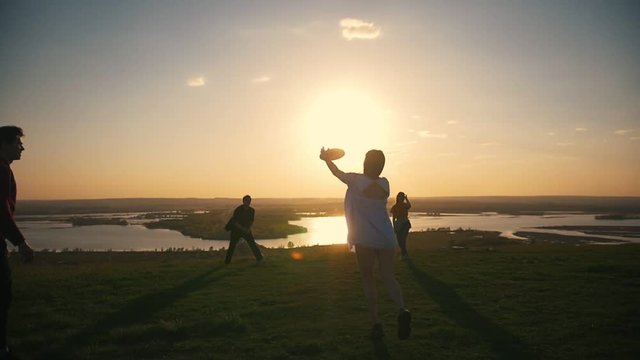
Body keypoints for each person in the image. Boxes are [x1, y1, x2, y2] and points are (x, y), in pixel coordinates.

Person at [320, 148, 411, 340]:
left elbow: (336, 172)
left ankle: (376, 323)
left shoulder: (355, 180)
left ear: (365, 162)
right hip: (386, 237)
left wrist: (327, 158)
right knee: (388, 276)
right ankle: (402, 310)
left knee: (368, 280)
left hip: (364, 238)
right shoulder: (385, 183)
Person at [0, 126, 34, 359]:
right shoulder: (1, 170)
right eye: (17, 142)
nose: (22, 147)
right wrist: (20, 243)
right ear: (3, 144)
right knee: (2, 295)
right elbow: (1, 212)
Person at [224, 195, 263, 264]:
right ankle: (227, 262)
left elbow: (251, 221)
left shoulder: (252, 210)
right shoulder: (238, 209)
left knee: (252, 244)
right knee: (232, 246)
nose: (248, 202)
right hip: (236, 231)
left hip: (246, 230)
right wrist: (243, 229)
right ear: (243, 201)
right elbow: (235, 222)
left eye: (249, 201)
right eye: (247, 201)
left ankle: (260, 259)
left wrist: (248, 229)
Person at [390, 192, 411, 258]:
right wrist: (394, 226)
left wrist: (406, 199)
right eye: (400, 197)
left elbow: (409, 205)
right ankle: (404, 254)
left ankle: (404, 254)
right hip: (399, 224)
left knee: (403, 239)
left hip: (405, 223)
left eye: (402, 197)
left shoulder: (405, 205)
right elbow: (393, 217)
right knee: (399, 240)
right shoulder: (395, 207)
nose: (401, 198)